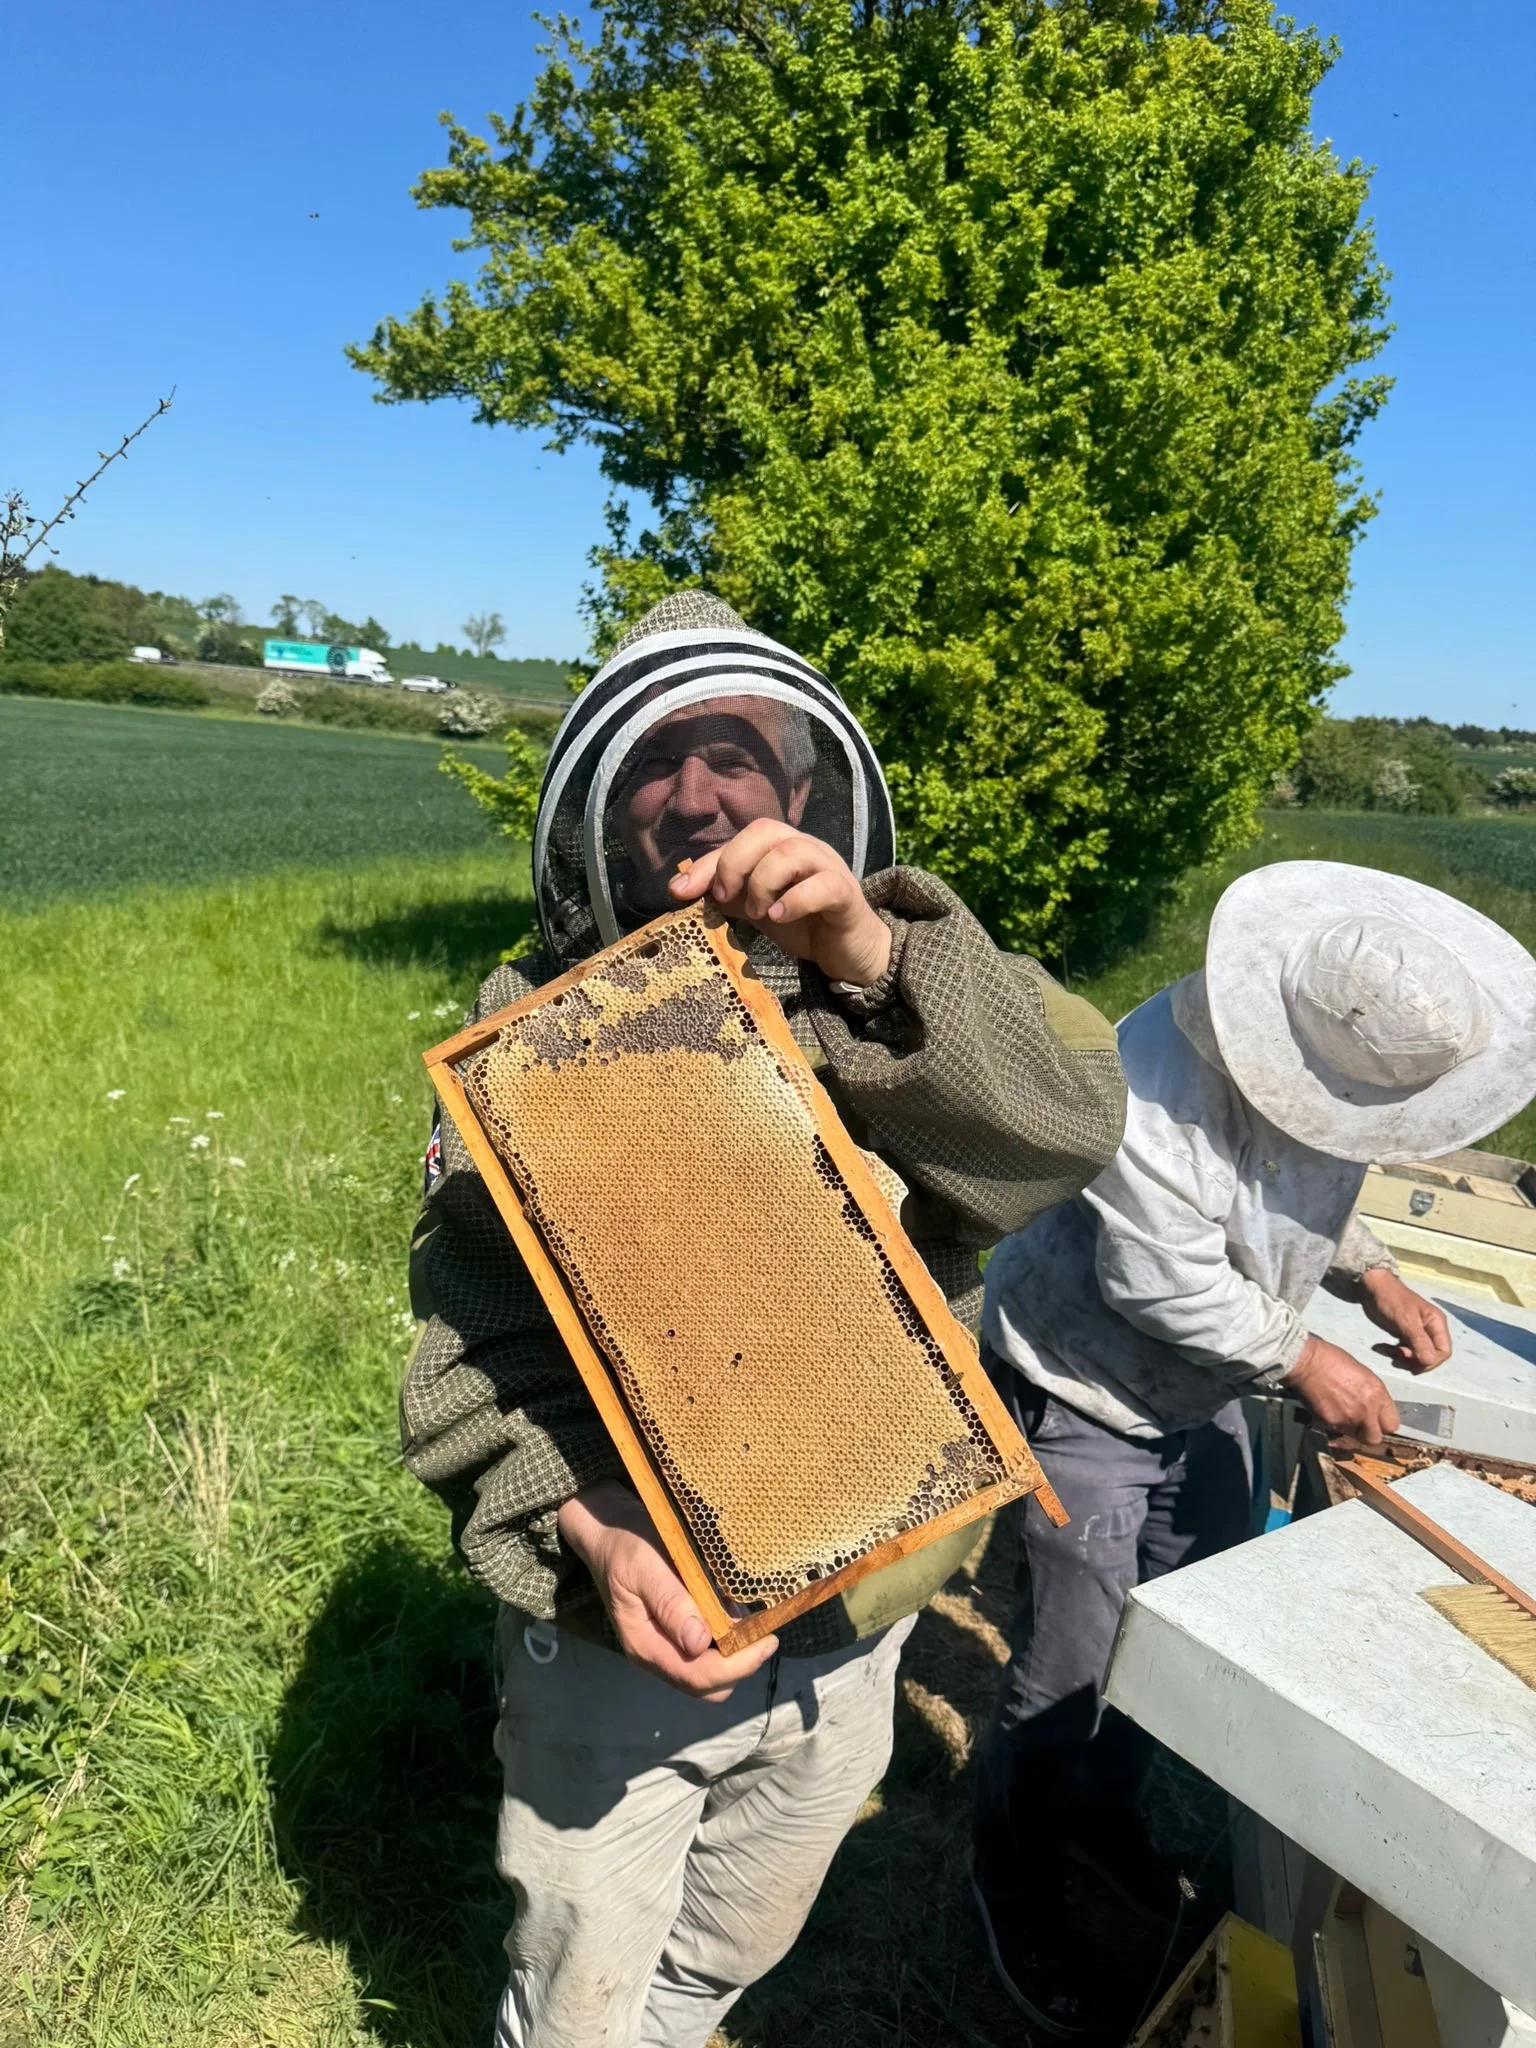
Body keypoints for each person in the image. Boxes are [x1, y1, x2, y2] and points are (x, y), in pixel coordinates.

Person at [402, 590, 1128, 2048]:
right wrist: (587, 1521)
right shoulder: (548, 1028)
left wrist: (870, 949)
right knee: (583, 1988)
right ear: (598, 817)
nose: (696, 792)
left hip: (852, 1630)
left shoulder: (898, 997)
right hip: (622, 1643)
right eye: (656, 761)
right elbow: (468, 1344)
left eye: (735, 752)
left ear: (805, 791)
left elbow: (1064, 1129)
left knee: (734, 1939)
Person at [973, 860, 1536, 2041]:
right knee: (1078, 1648)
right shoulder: (1141, 1077)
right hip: (1088, 1382)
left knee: (1185, 1606)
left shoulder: (1328, 1066)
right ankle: (1014, 1865)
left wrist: (1369, 1268)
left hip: (1212, 1386)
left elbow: (1313, 1177)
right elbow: (1156, 1276)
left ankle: (1102, 1804)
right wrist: (1309, 1358)